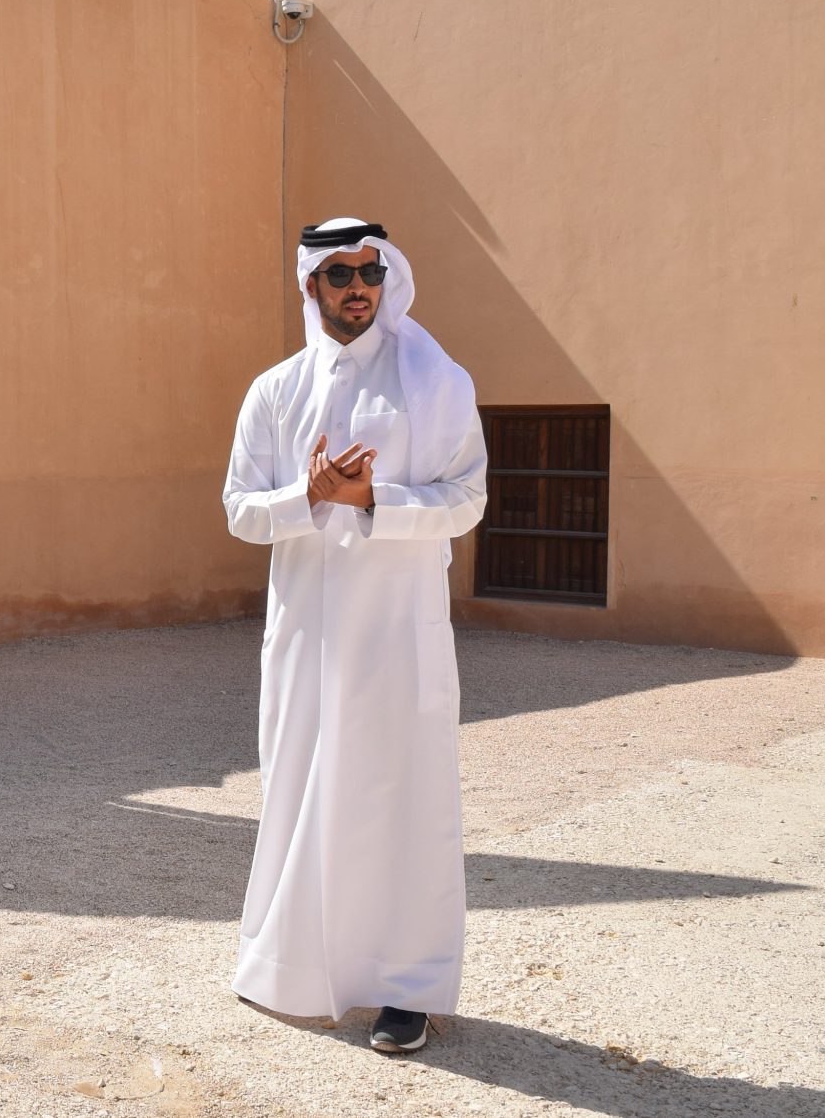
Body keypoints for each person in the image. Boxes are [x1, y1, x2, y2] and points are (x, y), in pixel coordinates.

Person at [221, 218, 488, 1053]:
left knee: (402, 800)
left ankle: (406, 988)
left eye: (370, 271)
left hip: (400, 637)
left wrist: (376, 501)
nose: (357, 287)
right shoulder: (273, 392)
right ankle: (293, 967)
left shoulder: (436, 382)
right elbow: (238, 511)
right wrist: (309, 497)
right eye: (339, 275)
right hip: (306, 635)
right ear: (311, 287)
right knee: (302, 788)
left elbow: (468, 497)